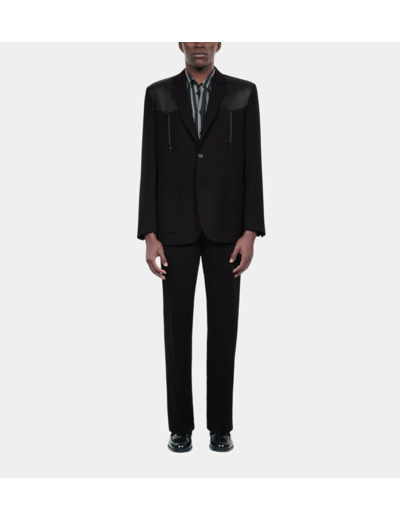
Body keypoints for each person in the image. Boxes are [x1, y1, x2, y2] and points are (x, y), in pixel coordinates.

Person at [137, 42, 266, 453]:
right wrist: (149, 233)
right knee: (176, 331)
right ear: (180, 42)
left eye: (206, 35)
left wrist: (251, 230)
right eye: (191, 35)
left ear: (218, 43)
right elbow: (149, 164)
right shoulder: (158, 94)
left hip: (227, 230)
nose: (198, 43)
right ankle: (180, 427)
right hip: (173, 229)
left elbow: (253, 164)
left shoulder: (243, 92)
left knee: (224, 328)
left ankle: (220, 427)